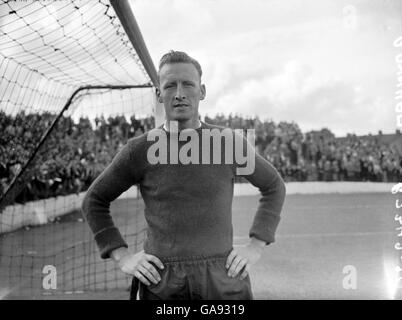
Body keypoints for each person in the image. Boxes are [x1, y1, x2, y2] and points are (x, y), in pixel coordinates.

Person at [81, 50, 286, 300]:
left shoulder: (228, 142)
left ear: (202, 91)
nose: (179, 93)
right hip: (162, 282)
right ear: (159, 94)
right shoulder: (139, 149)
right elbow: (94, 200)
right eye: (170, 86)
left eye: (188, 84)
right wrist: (122, 256)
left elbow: (274, 185)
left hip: (222, 279)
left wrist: (255, 246)